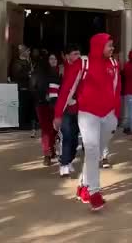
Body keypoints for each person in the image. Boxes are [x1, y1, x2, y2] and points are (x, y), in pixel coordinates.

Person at [53, 33, 121, 211]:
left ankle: (83, 185)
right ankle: (94, 192)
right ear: (99, 46)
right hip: (88, 114)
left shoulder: (114, 63)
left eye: (112, 45)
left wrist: (116, 114)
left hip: (108, 116)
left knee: (96, 153)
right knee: (91, 151)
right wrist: (58, 114)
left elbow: (116, 89)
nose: (112, 48)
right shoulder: (83, 63)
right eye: (109, 45)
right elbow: (67, 89)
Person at [55, 44, 82, 177]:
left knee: (75, 139)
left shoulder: (82, 69)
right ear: (67, 56)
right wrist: (57, 114)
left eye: (79, 53)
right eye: (75, 54)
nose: (78, 56)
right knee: (67, 136)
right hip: (64, 109)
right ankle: (64, 164)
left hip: (78, 109)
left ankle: (69, 160)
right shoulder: (60, 70)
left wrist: (78, 100)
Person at [34, 53, 61, 166]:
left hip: (56, 105)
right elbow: (34, 87)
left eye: (55, 58)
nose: (53, 60)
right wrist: (43, 95)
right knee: (46, 130)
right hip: (43, 105)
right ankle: (47, 155)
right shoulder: (41, 72)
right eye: (51, 58)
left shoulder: (61, 73)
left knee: (54, 129)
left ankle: (52, 148)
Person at [11, 44, 34, 131]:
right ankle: (21, 124)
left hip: (29, 88)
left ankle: (27, 123)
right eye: (27, 51)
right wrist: (28, 74)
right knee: (22, 107)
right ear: (23, 52)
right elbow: (16, 74)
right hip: (21, 87)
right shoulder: (16, 62)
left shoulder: (29, 61)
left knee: (27, 107)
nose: (29, 52)